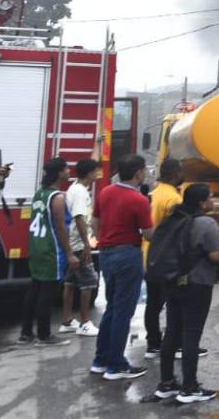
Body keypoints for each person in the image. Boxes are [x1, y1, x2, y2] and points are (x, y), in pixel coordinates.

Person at [153, 183, 219, 404]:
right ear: (202, 202)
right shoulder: (206, 223)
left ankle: (166, 384)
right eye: (211, 198)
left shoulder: (172, 218)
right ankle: (190, 387)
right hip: (197, 284)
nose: (213, 202)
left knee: (172, 332)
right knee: (191, 336)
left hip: (171, 282)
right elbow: (215, 256)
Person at [91, 153, 153, 380]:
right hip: (128, 254)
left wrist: (106, 239)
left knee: (112, 307)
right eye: (143, 170)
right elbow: (148, 233)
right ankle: (116, 364)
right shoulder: (139, 200)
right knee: (123, 311)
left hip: (107, 253)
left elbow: (94, 221)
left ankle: (101, 359)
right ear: (138, 172)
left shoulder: (106, 192)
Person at [19, 157, 78, 346]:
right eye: (66, 169)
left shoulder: (39, 193)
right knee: (47, 292)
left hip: (36, 246)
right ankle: (44, 335)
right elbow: (61, 228)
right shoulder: (58, 197)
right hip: (51, 249)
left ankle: (26, 333)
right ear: (59, 173)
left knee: (34, 289)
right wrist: (69, 253)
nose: (69, 171)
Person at [144, 158, 184, 358]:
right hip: (167, 257)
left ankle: (153, 344)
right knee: (174, 304)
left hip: (150, 255)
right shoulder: (174, 199)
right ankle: (175, 344)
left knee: (153, 304)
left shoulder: (156, 192)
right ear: (175, 173)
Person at [59, 159, 100, 336]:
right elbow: (79, 218)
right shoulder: (80, 192)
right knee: (89, 282)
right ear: (90, 173)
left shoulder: (74, 188)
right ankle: (85, 322)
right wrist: (86, 244)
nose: (98, 174)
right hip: (78, 244)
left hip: (72, 242)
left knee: (71, 283)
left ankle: (67, 321)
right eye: (96, 171)